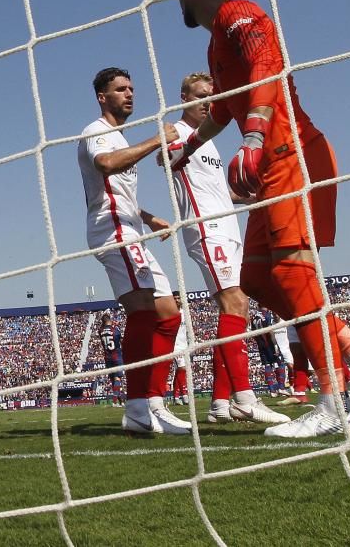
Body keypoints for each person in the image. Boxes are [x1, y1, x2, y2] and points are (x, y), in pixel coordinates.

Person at [168, 0, 350, 437]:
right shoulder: (215, 46)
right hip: (270, 152)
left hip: (289, 147)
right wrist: (189, 147)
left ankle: (335, 401)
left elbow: (267, 69)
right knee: (255, 275)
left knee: (292, 269)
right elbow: (229, 107)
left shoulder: (238, 12)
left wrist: (253, 137)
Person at [167, 73, 290, 425]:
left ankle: (220, 402)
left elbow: (224, 194)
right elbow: (164, 156)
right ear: (183, 97)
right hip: (207, 229)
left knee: (239, 310)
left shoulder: (210, 142)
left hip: (227, 228)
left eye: (211, 97)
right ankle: (244, 397)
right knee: (234, 303)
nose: (207, 102)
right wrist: (165, 138)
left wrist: (261, 196)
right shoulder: (179, 132)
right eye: (201, 96)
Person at [78, 67, 191, 435]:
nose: (129, 94)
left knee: (169, 314)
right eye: (120, 89)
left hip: (131, 229)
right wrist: (156, 140)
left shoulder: (119, 137)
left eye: (131, 88)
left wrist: (147, 216)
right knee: (143, 307)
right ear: (102, 97)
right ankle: (138, 406)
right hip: (112, 232)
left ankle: (153, 403)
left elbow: (117, 192)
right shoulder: (97, 132)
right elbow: (107, 165)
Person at [97, 312, 124, 407]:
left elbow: (102, 330)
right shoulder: (115, 330)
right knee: (117, 379)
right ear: (110, 320)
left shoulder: (100, 331)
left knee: (113, 380)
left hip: (107, 357)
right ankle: (115, 401)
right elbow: (120, 341)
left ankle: (121, 402)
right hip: (116, 356)